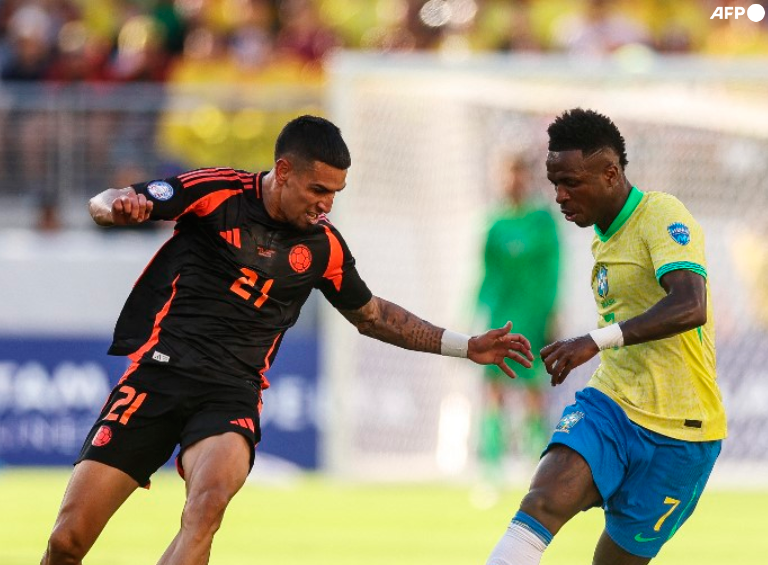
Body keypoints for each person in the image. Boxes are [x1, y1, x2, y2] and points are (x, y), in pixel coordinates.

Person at [41, 115, 533, 565]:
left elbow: (374, 316)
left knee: (207, 506)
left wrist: (465, 346)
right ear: (284, 170)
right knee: (67, 542)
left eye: (336, 193)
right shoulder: (217, 192)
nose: (326, 204)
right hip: (160, 375)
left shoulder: (325, 247)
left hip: (230, 395)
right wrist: (118, 209)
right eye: (318, 189)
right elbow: (106, 199)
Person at [485, 108, 726, 565]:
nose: (559, 195)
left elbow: (692, 305)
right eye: (554, 182)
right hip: (612, 407)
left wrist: (596, 340)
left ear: (611, 173)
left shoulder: (661, 215)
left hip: (683, 433)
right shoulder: (603, 237)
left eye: (571, 182)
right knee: (541, 502)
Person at [476, 153, 559, 485]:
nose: (513, 182)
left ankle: (536, 464)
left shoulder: (543, 222)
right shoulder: (493, 224)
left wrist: (553, 312)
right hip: (499, 316)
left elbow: (555, 270)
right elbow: (485, 275)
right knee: (494, 389)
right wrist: (475, 313)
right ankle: (491, 469)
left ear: (528, 179)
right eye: (508, 175)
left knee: (533, 390)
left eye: (519, 175)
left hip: (534, 315)